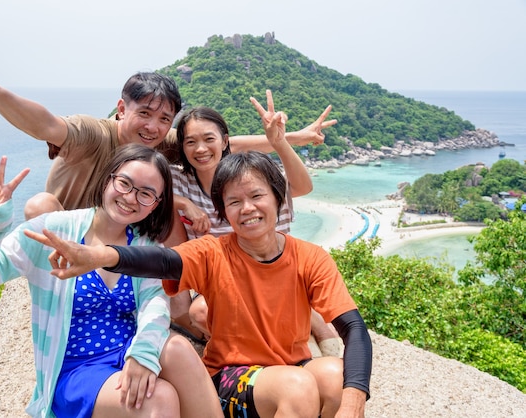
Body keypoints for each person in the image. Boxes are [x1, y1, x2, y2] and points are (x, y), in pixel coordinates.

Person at [26, 100, 372, 417]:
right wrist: (97, 254)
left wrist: (355, 400)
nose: (247, 209)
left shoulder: (310, 257)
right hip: (234, 376)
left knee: (335, 377)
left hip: (295, 364)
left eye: (256, 196)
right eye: (234, 202)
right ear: (223, 211)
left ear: (279, 199)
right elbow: (158, 263)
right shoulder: (212, 252)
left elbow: (354, 328)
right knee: (297, 388)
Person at [0, 16, 336, 217]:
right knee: (39, 205)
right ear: (121, 108)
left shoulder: (158, 144)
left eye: (165, 119)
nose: (154, 126)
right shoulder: (94, 134)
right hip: (70, 235)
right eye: (144, 113)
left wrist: (293, 138)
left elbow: (224, 145)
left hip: (116, 240)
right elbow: (45, 124)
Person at [0, 145, 222, 418]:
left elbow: (155, 304)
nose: (131, 198)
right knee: (160, 399)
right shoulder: (55, 230)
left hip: (126, 351)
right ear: (108, 178)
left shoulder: (143, 246)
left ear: (156, 204)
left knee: (177, 348)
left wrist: (143, 354)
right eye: (125, 183)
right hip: (76, 368)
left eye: (145, 193)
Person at [167, 93, 343, 358]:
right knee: (201, 311)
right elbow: (150, 191)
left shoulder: (247, 179)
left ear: (225, 141)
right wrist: (182, 203)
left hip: (272, 273)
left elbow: (302, 187)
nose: (200, 149)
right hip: (223, 282)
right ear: (182, 147)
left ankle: (310, 323)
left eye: (209, 140)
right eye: (190, 142)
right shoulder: (180, 181)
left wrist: (281, 141)